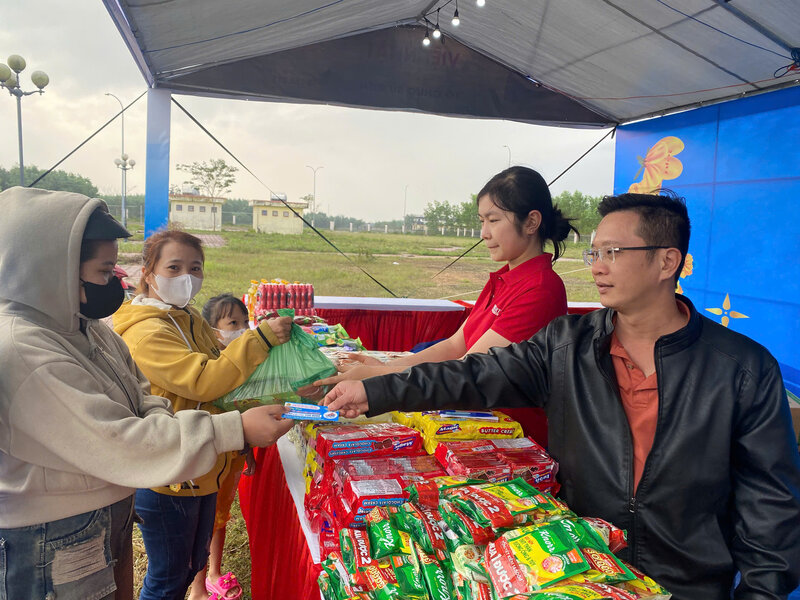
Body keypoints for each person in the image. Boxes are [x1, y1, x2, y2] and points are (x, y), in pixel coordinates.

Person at [323, 191, 800, 600]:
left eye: (613, 252)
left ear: (667, 261)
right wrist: (375, 389)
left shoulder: (741, 369)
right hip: (579, 570)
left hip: (688, 583)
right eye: (593, 253)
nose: (596, 267)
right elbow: (473, 374)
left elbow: (770, 504)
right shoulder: (566, 344)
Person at [0, 187, 294, 600]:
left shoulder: (85, 327)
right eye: (104, 273)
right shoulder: (26, 351)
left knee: (172, 571)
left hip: (104, 509)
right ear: (51, 269)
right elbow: (120, 441)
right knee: (165, 577)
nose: (113, 283)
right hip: (51, 535)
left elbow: (141, 395)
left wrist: (176, 425)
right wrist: (233, 429)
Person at [316, 166, 577, 443]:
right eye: (481, 221)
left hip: (508, 437)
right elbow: (456, 345)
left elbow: (467, 368)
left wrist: (376, 378)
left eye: (493, 220)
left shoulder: (540, 289)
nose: (484, 233)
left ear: (531, 222)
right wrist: (387, 367)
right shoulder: (503, 279)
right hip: (470, 423)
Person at [113, 231, 293, 600]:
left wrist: (287, 389)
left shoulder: (187, 316)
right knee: (166, 579)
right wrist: (258, 340)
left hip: (202, 462)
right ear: (148, 273)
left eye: (195, 268)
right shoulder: (148, 332)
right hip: (171, 472)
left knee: (190, 565)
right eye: (174, 267)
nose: (186, 277)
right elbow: (204, 380)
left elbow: (225, 373)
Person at [187, 293, 257, 600]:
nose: (241, 330)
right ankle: (197, 586)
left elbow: (246, 414)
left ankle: (214, 572)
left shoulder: (245, 367)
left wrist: (249, 452)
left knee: (221, 517)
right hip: (211, 459)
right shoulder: (211, 369)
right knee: (204, 522)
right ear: (213, 330)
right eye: (233, 323)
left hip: (233, 458)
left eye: (245, 322)